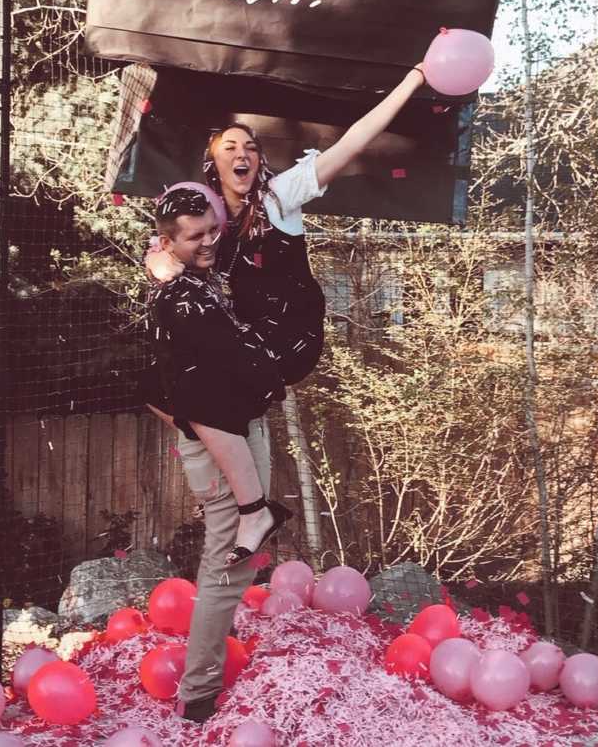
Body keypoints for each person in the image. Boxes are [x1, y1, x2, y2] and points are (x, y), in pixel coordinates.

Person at [148, 63, 428, 390]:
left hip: (289, 336)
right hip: (244, 337)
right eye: (231, 148)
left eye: (251, 148)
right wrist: (154, 260)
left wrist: (413, 80)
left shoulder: (278, 195)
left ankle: (217, 432)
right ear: (214, 163)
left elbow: (353, 143)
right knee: (158, 386)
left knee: (197, 391)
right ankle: (228, 439)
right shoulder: (209, 214)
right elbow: (166, 245)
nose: (243, 154)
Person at [147, 186, 290, 723]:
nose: (208, 241)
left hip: (228, 434)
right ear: (169, 241)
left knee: (230, 556)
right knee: (226, 562)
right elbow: (195, 395)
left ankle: (211, 658)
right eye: (194, 236)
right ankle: (199, 691)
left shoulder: (192, 282)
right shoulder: (179, 298)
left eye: (212, 229)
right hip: (219, 440)